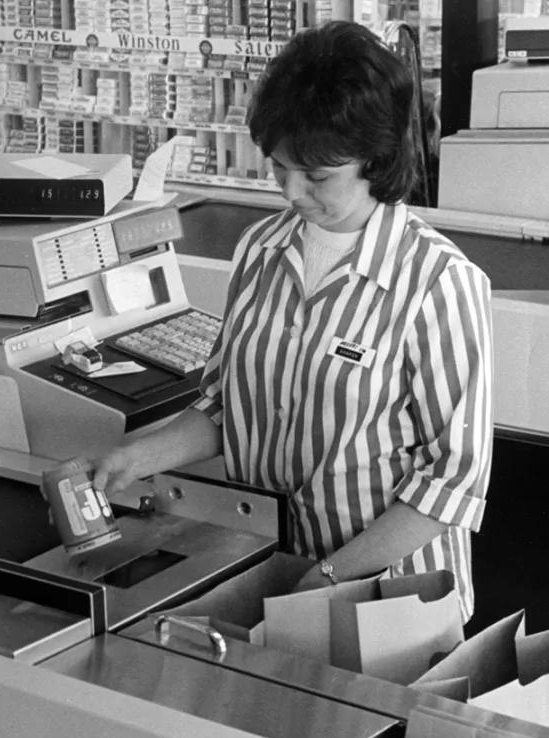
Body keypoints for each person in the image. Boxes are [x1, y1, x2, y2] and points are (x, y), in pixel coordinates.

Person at [88, 21, 492, 622]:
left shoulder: (438, 282)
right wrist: (137, 456)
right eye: (280, 168)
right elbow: (229, 408)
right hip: (270, 571)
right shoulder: (260, 250)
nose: (293, 192)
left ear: (374, 159)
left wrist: (330, 576)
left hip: (390, 601)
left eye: (318, 175)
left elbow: (451, 483)